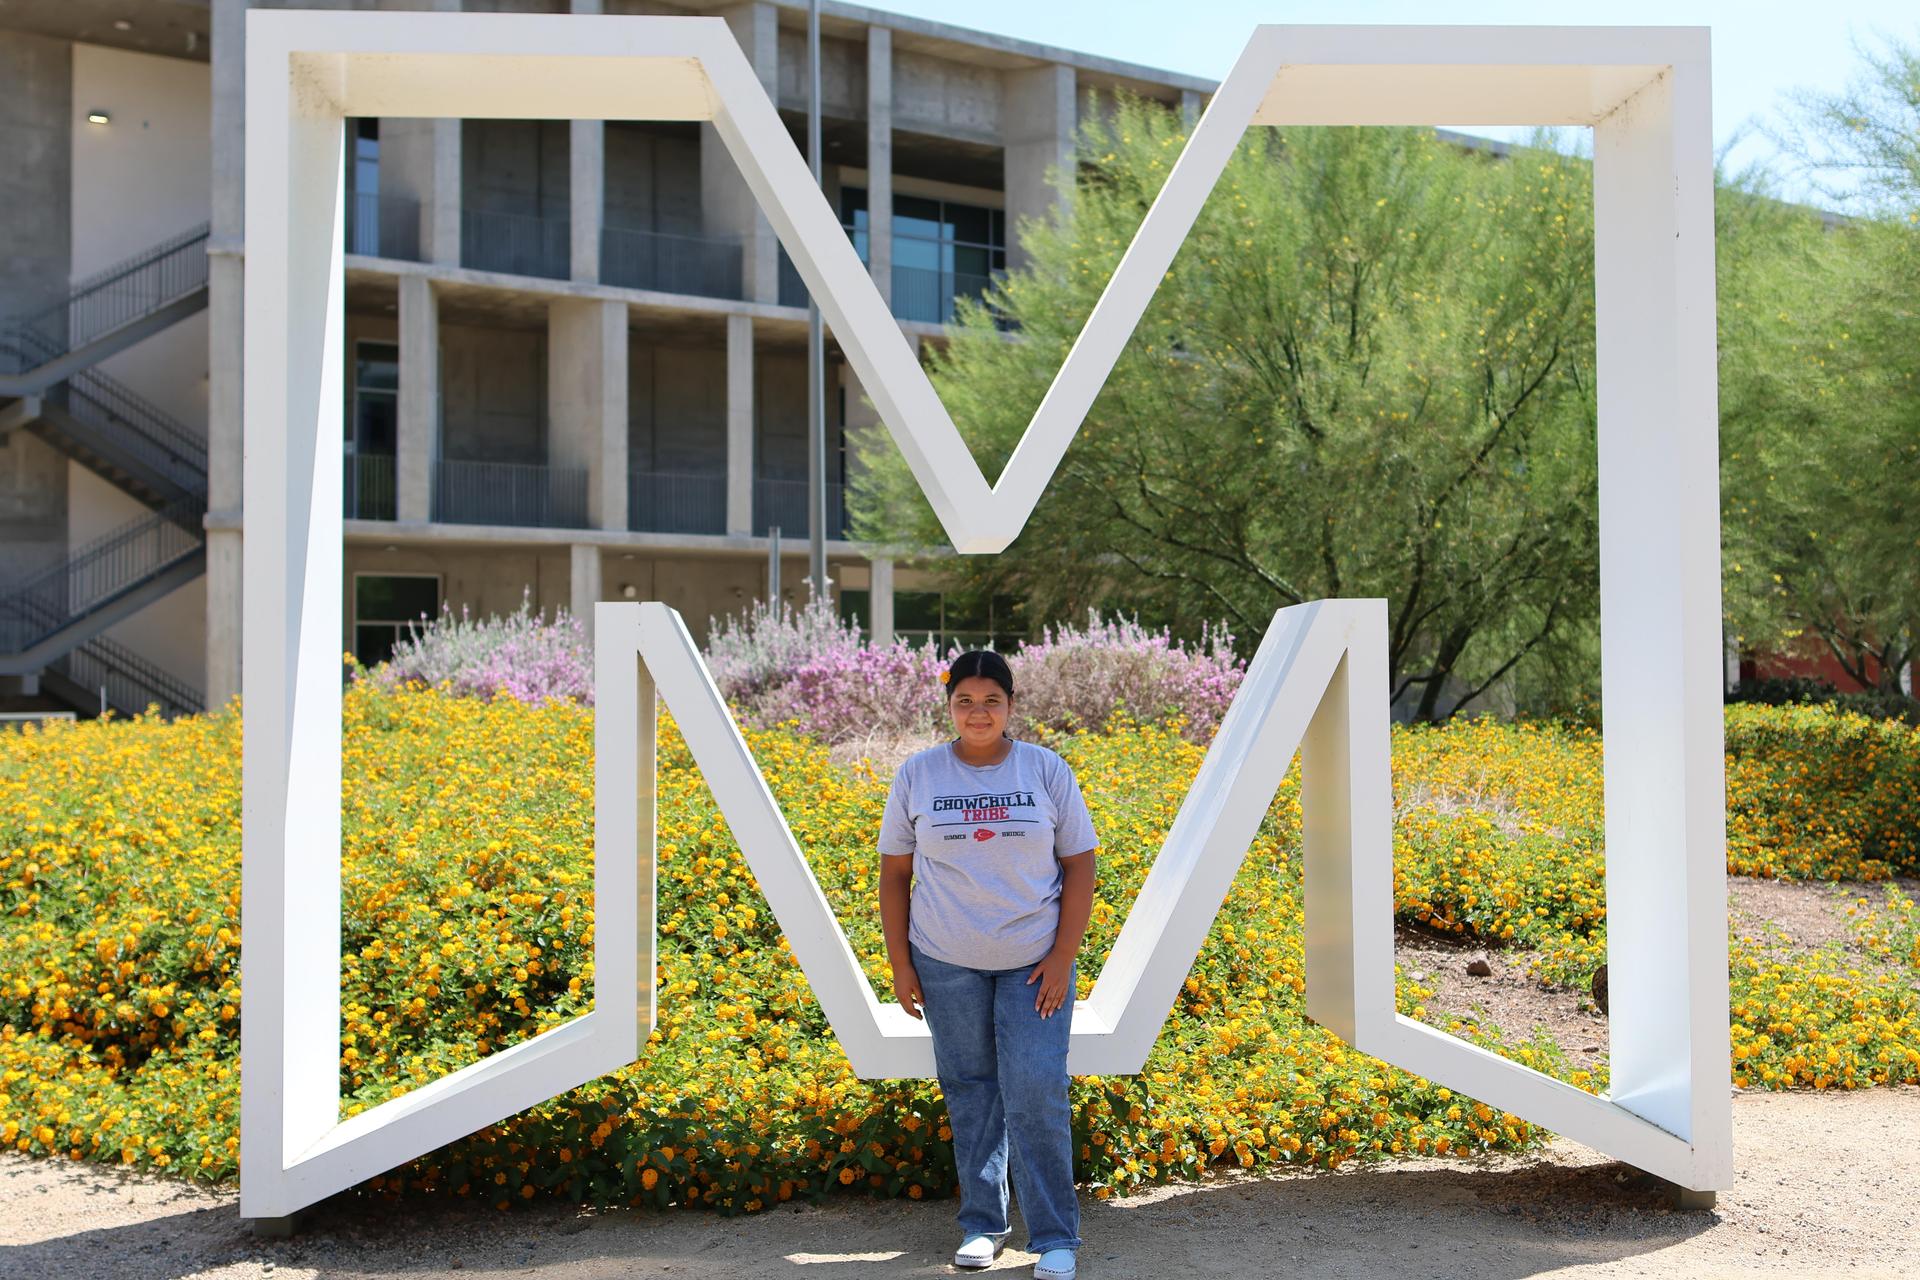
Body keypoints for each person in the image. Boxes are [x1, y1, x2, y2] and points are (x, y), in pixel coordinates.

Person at [877, 649, 1099, 1280]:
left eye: (991, 701)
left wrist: (1062, 957)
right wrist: (901, 963)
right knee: (971, 1093)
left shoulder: (1045, 769)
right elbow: (896, 874)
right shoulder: (918, 774)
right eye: (965, 701)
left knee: (1036, 1093)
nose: (978, 713)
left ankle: (1055, 1237)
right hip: (945, 961)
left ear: (1011, 706)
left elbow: (1079, 863)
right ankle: (983, 1226)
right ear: (949, 706)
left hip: (1034, 963)